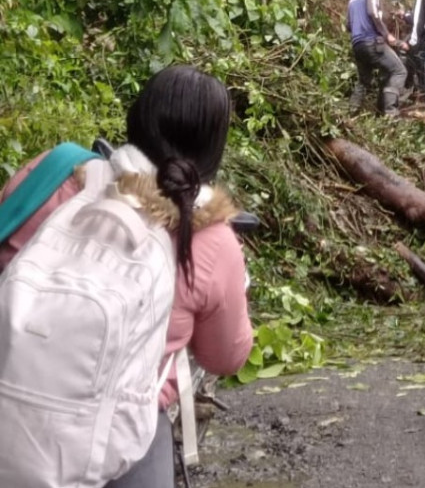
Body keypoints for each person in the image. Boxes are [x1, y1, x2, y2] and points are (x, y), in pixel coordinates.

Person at [0, 65, 254, 488]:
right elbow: (225, 357)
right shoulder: (208, 236)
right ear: (214, 148)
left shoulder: (55, 169)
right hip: (108, 449)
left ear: (136, 118)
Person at [346, 0, 408, 116]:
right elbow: (373, 13)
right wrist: (387, 36)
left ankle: (349, 114)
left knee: (364, 81)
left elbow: (348, 25)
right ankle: (390, 113)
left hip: (357, 45)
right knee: (399, 71)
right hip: (372, 42)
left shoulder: (352, 0)